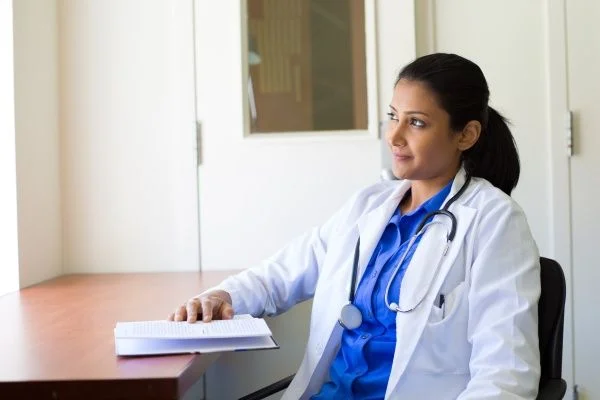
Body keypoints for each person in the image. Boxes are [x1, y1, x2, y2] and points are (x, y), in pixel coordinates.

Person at [169, 53, 541, 399]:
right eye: (393, 116)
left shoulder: (495, 220)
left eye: (416, 123)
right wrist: (222, 297)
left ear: (466, 135)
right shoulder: (369, 206)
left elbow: (505, 372)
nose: (395, 136)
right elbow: (282, 273)